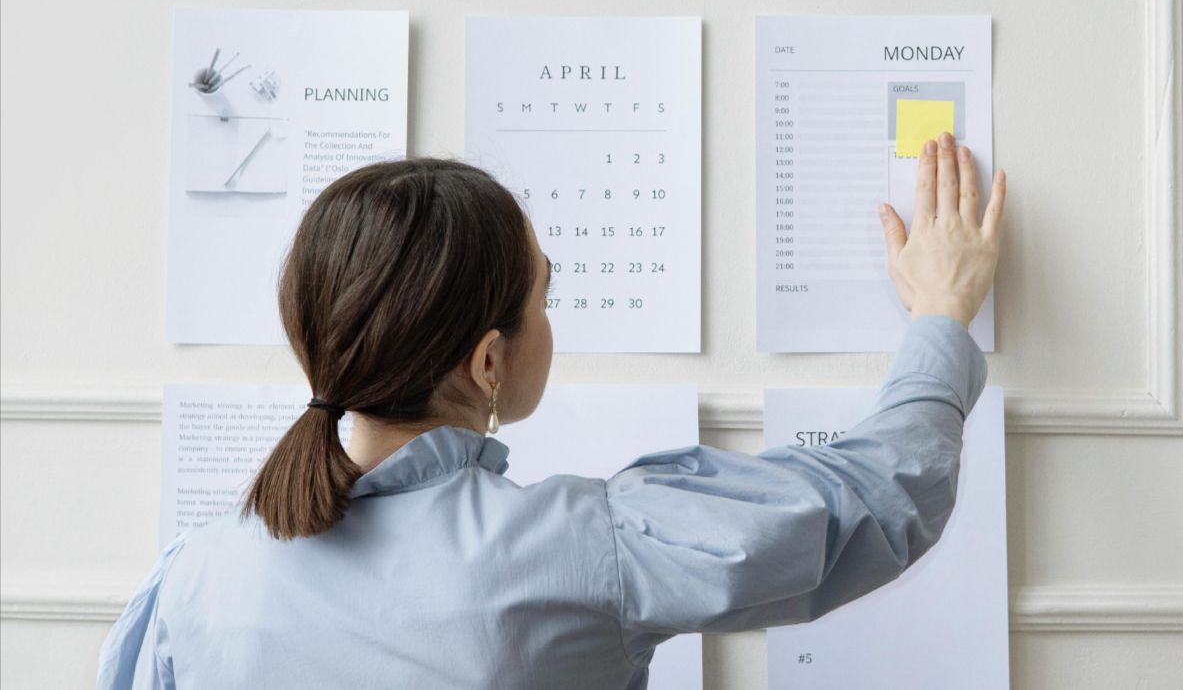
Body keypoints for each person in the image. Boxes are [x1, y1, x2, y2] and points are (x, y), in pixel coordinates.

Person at [97, 132, 1004, 689]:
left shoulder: (193, 577)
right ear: (488, 360)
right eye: (542, 295)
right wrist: (940, 315)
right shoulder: (590, 545)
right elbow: (876, 500)